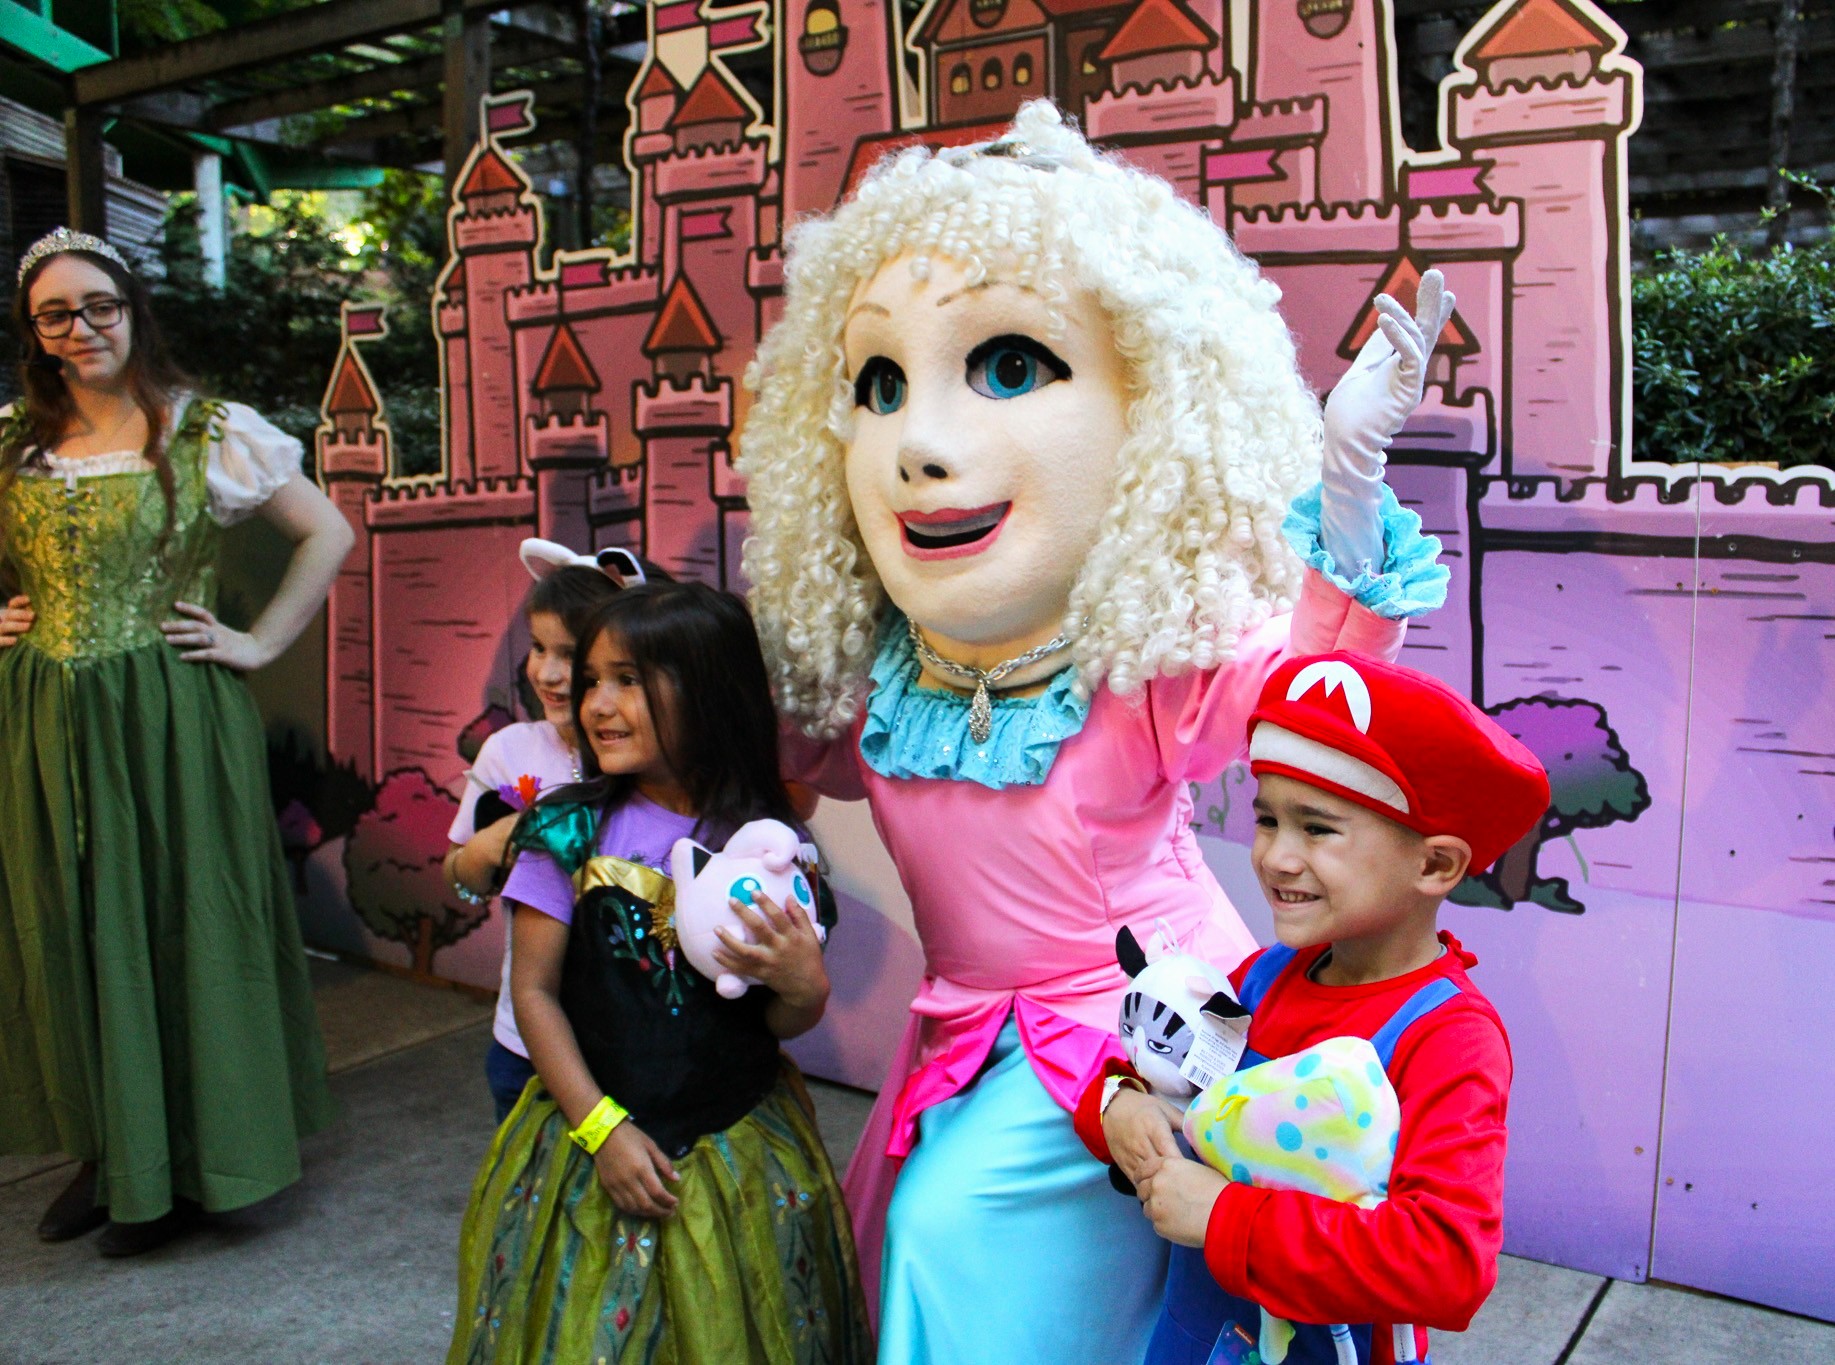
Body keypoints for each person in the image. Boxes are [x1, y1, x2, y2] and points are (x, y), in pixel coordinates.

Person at [737, 102, 1452, 1360]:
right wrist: (644, 651)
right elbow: (773, 768)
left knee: (948, 1241)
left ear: (1158, 409)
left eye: (1011, 365)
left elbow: (1311, 690)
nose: (920, 444)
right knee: (931, 1254)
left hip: (1145, 1024)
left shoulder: (1127, 669)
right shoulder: (884, 678)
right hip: (963, 1037)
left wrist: (1345, 486)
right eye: (880, 383)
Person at [0, 228, 352, 1256]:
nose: (81, 328)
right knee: (72, 928)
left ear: (132, 310)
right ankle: (113, 1154)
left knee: (181, 918)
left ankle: (203, 1156)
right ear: (35, 331)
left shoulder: (205, 430)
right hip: (45, 725)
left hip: (170, 716)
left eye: (98, 306)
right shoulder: (17, 440)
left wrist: (257, 640)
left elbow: (326, 531)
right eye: (56, 313)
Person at [447, 582, 872, 1364]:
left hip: (739, 1138)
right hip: (593, 1133)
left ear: (713, 691)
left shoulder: (768, 839)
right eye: (593, 682)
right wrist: (601, 1128)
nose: (598, 704)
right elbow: (534, 993)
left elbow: (775, 1018)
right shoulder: (567, 830)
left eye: (631, 680)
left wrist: (804, 984)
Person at [1086, 652, 1550, 1365]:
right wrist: (1120, 1104)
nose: (1275, 856)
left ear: (1434, 865)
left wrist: (1223, 1218)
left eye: (1318, 828)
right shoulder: (1263, 979)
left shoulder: (1449, 1038)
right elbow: (1150, 1066)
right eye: (1267, 819)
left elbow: (1446, 1264)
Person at [444, 539, 661, 1124]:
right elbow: (460, 876)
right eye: (538, 648)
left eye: (572, 654)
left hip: (638, 1044)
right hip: (524, 1045)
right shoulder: (508, 750)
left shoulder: (649, 761)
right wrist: (495, 844)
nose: (548, 672)